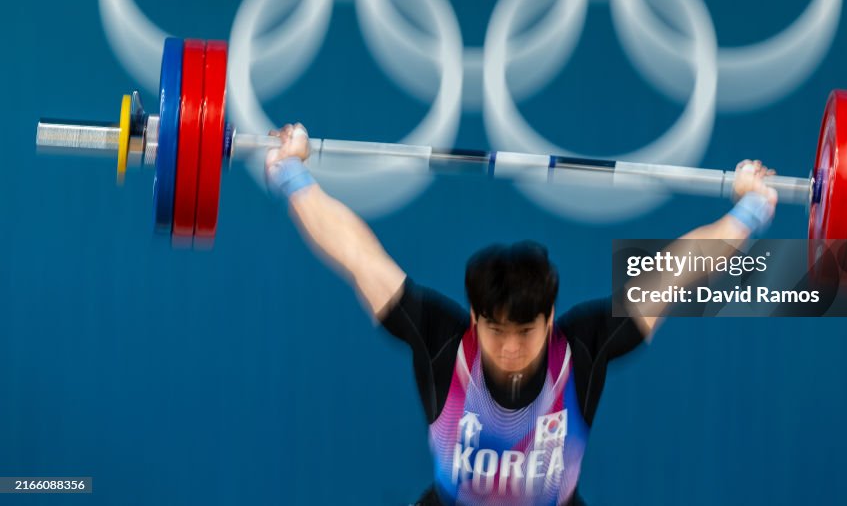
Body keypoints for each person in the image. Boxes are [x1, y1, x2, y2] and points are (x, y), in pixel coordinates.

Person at [263, 123, 778, 506]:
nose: (510, 348)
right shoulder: (442, 339)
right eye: (495, 330)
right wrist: (291, 173)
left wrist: (748, 211)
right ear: (474, 318)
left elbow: (674, 274)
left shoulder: (583, 346)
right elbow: (358, 257)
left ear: (550, 319)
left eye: (525, 332)